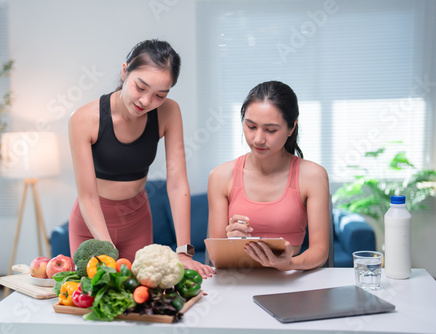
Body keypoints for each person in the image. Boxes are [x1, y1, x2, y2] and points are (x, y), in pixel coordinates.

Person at [69, 39, 214, 277]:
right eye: (140, 87)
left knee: (141, 305)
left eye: (159, 95)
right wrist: (107, 250)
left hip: (137, 223)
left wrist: (184, 251)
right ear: (125, 71)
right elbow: (87, 195)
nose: (146, 101)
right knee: (99, 303)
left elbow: (177, 184)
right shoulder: (84, 119)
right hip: (91, 227)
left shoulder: (169, 112)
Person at [207, 81, 330, 271]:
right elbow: (215, 257)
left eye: (270, 130)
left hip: (289, 281)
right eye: (250, 126)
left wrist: (289, 264)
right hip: (238, 280)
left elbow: (320, 251)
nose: (258, 139)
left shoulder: (313, 176)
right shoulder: (221, 176)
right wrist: (231, 243)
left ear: (291, 128)